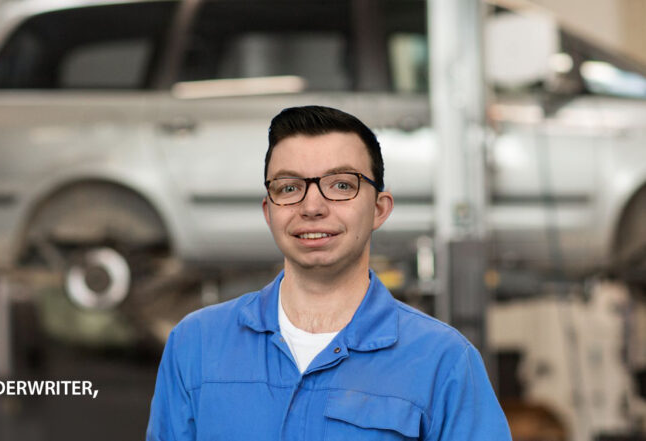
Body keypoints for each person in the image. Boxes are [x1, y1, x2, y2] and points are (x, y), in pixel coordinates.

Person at [146, 106, 512, 440]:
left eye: (341, 185)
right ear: (268, 211)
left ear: (379, 209)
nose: (312, 206)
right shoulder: (196, 344)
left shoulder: (442, 360)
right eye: (289, 188)